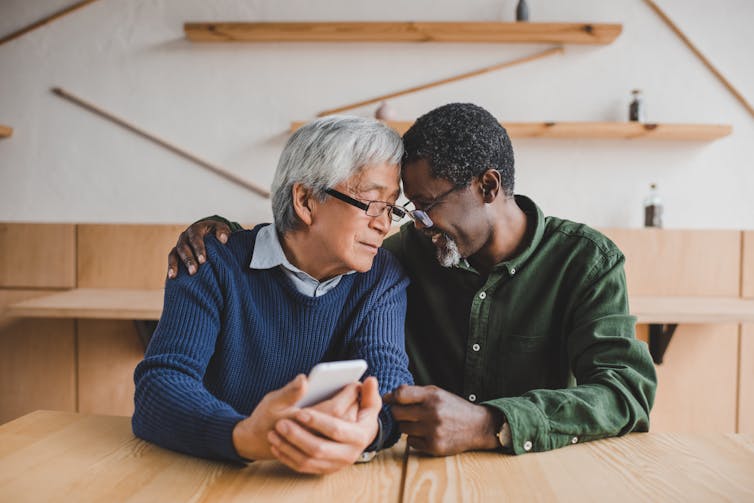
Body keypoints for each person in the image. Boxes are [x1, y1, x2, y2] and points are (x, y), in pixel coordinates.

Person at [167, 103, 657, 458]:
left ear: (488, 187)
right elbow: (298, 239)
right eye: (404, 209)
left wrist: (493, 423)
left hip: (539, 472)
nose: (404, 224)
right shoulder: (402, 255)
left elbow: (626, 392)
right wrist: (221, 234)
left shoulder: (584, 261)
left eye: (423, 207)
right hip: (407, 472)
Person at [133, 115, 414, 474]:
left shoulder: (381, 277)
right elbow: (160, 386)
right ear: (306, 201)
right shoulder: (212, 262)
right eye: (372, 203)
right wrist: (243, 436)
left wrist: (369, 431)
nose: (383, 224)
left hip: (326, 480)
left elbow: (390, 380)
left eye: (391, 207)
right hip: (212, 473)